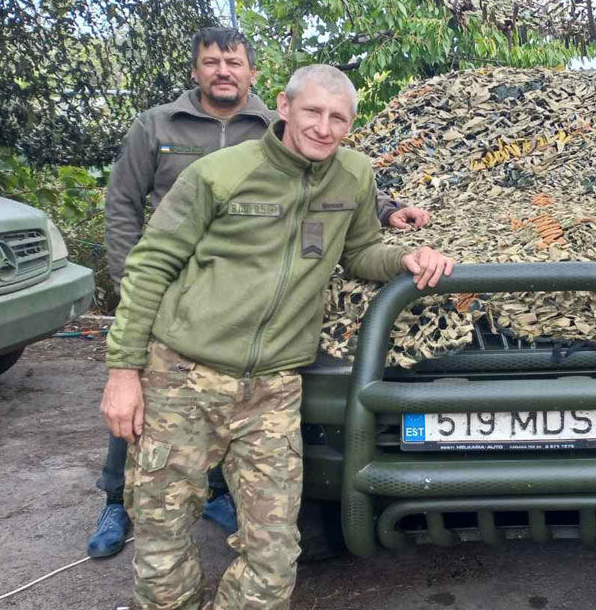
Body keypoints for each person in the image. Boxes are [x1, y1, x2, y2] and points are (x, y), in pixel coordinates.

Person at [101, 64, 455, 610]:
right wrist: (123, 372)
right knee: (162, 547)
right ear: (284, 109)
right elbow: (150, 266)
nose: (323, 127)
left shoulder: (354, 176)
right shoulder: (219, 173)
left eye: (338, 118)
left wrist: (404, 259)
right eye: (312, 111)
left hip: (273, 389)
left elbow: (359, 252)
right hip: (181, 379)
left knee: (273, 558)